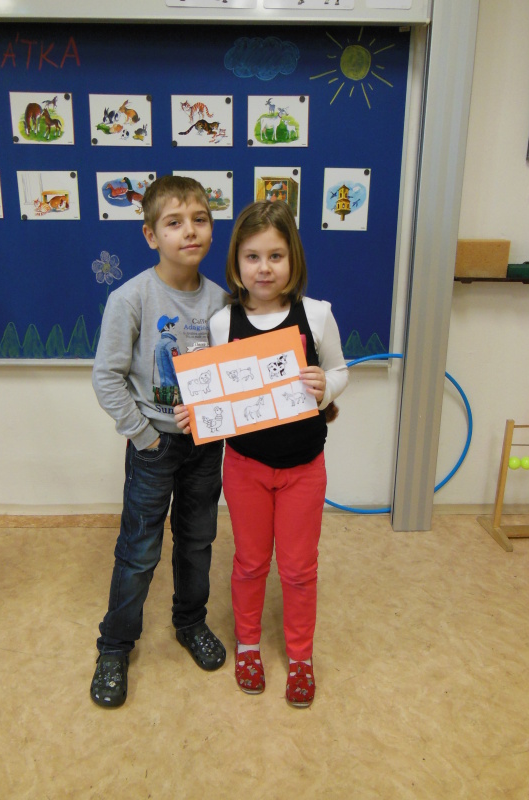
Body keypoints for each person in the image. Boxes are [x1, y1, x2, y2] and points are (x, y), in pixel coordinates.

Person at [175, 200, 349, 708]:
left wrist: (327, 386)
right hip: (245, 468)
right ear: (237, 262)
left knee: (298, 569)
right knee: (250, 562)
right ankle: (248, 645)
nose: (264, 268)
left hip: (304, 469)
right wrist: (195, 413)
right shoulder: (222, 322)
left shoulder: (317, 315)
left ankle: (301, 655)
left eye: (276, 255)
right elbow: (213, 395)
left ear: (293, 258)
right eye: (252, 257)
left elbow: (340, 370)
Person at [90, 175, 228, 708]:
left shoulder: (223, 302)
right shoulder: (131, 297)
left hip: (206, 449)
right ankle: (114, 646)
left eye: (200, 219)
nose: (189, 231)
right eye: (174, 222)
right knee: (139, 550)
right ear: (151, 235)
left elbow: (230, 377)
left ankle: (190, 622)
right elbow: (107, 377)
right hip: (153, 448)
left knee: (197, 541)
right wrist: (145, 437)